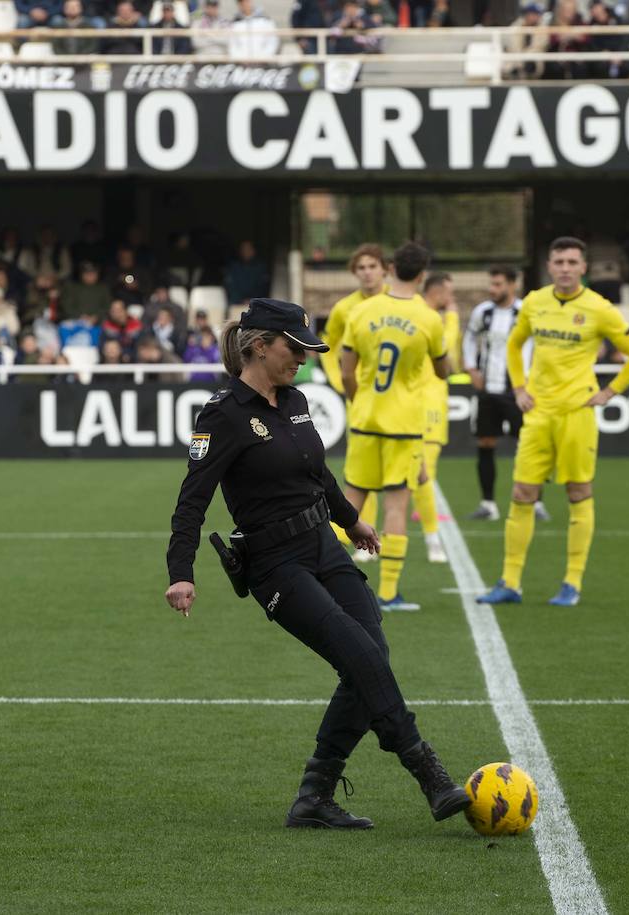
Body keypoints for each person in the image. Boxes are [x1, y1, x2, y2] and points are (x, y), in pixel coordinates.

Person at [165, 297, 470, 831]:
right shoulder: (222, 415)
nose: (304, 359)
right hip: (275, 564)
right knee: (357, 653)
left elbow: (319, 476)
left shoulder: (298, 398)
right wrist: (181, 572)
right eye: (296, 348)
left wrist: (351, 521)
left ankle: (314, 795)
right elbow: (192, 499)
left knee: (370, 649)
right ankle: (427, 770)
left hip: (323, 545)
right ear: (260, 346)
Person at [478, 236, 629, 608]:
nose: (566, 268)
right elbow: (513, 343)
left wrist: (610, 391)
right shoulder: (536, 302)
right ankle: (510, 581)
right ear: (549, 266)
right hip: (538, 413)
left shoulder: (599, 308)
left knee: (577, 493)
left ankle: (571, 582)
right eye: (559, 262)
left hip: (576, 414)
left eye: (573, 262)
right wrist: (519, 386)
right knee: (522, 494)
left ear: (584, 267)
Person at [338, 242, 450, 612]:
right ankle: (388, 594)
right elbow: (442, 370)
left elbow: (346, 370)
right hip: (403, 423)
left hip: (366, 419)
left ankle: (319, 576)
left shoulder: (363, 311)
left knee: (349, 500)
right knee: (396, 507)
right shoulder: (429, 317)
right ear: (421, 275)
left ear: (389, 269)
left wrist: (359, 400)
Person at [320, 243, 388, 557]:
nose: (367, 272)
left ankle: (430, 534)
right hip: (359, 397)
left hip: (395, 400)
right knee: (363, 469)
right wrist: (339, 381)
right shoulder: (344, 308)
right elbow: (327, 344)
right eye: (361, 267)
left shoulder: (397, 303)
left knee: (414, 472)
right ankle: (366, 532)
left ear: (385, 269)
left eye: (372, 266)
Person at [462, 265, 544, 522]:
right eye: (491, 284)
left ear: (512, 285)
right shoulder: (482, 312)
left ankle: (536, 503)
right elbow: (469, 338)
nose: (492, 289)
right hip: (489, 389)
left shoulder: (526, 312)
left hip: (519, 391)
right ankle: (488, 504)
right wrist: (471, 367)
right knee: (485, 443)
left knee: (529, 446)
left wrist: (534, 376)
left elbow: (541, 345)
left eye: (498, 284)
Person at [411, 272, 462, 565]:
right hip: (425, 403)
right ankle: (432, 540)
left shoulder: (421, 313)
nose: (451, 299)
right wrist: (453, 319)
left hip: (429, 400)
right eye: (449, 293)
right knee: (423, 474)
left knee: (421, 475)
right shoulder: (429, 319)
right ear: (438, 292)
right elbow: (445, 348)